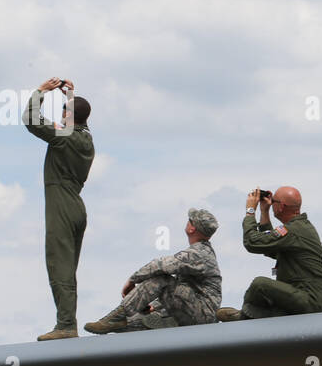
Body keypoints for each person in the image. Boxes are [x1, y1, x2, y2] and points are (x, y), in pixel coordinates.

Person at [24, 76, 94, 340]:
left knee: (59, 266)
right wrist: (70, 97)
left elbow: (31, 120)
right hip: (77, 206)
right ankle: (66, 321)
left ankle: (66, 325)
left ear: (69, 116)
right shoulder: (86, 138)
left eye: (64, 111)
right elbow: (79, 117)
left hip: (62, 207)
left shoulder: (63, 137)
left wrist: (41, 91)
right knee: (69, 268)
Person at [85, 209, 222, 333]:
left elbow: (160, 265)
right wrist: (154, 306)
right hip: (194, 310)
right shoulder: (201, 251)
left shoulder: (198, 254)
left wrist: (132, 280)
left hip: (203, 315)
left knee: (162, 278)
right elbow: (182, 291)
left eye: (190, 220)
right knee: (131, 323)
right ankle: (152, 319)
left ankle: (117, 316)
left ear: (192, 228)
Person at [216, 186, 322, 320]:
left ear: (281, 207)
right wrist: (264, 211)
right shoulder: (298, 228)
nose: (272, 204)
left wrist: (250, 211)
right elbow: (270, 246)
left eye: (273, 202)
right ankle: (250, 317)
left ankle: (243, 318)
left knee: (260, 285)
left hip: (309, 301)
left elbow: (252, 242)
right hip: (304, 299)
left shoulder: (293, 231)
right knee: (269, 304)